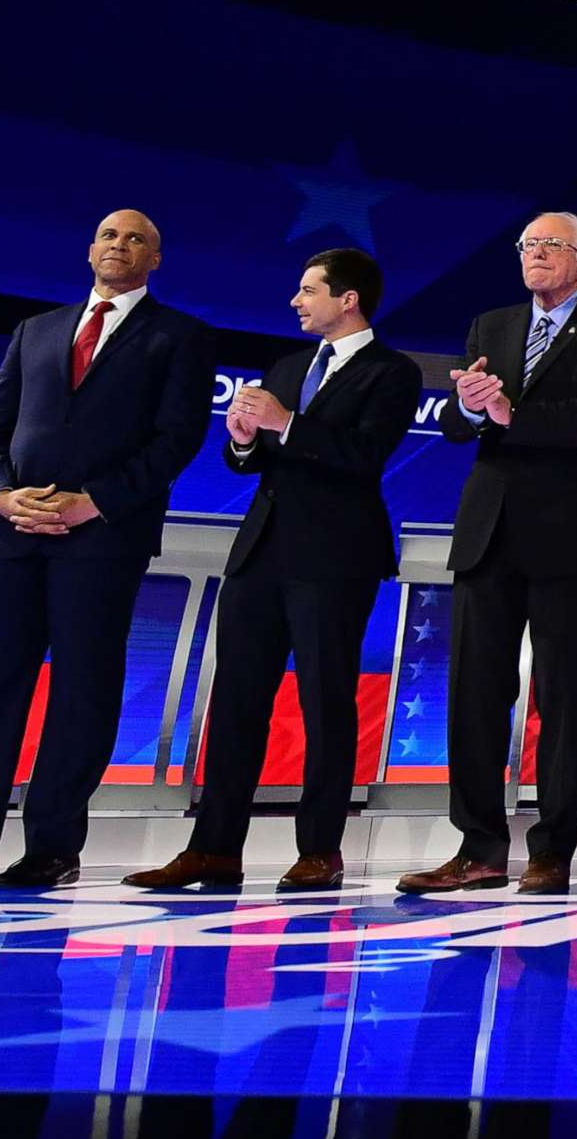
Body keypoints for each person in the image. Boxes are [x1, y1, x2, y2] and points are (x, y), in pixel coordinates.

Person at [0, 209, 215, 891]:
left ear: (156, 259)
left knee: (82, 692)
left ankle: (53, 848)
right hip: (8, 538)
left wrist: (94, 500)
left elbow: (176, 439)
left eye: (136, 239)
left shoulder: (180, 337)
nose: (118, 245)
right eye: (108, 236)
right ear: (90, 248)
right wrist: (1, 497)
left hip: (100, 539)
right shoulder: (34, 331)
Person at [125, 248, 421, 892]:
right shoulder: (288, 366)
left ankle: (320, 850)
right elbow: (253, 463)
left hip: (335, 559)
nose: (295, 300)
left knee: (325, 704)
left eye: (309, 290)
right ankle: (214, 849)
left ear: (349, 299)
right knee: (234, 702)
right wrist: (242, 439)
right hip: (262, 553)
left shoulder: (391, 372)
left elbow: (364, 456)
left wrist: (286, 425)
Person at [399, 212, 577, 897]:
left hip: (570, 533)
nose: (536, 254)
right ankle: (478, 849)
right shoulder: (492, 324)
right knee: (474, 697)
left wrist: (513, 415)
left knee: (561, 701)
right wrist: (472, 409)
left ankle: (553, 852)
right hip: (489, 530)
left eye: (551, 246)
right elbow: (455, 424)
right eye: (527, 245)